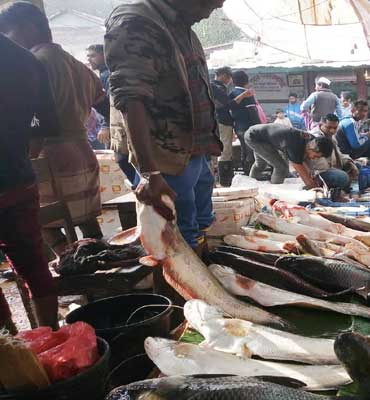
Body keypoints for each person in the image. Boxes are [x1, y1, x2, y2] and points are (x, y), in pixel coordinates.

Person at [105, 0, 224, 252]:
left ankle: (203, 277)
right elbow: (130, 97)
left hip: (194, 152)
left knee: (200, 225)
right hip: (165, 158)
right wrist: (151, 172)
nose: (207, 15)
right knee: (176, 239)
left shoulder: (181, 25)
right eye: (208, 5)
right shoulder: (135, 21)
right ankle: (186, 290)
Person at [0, 2, 105, 257]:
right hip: (81, 150)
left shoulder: (32, 63)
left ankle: (70, 264)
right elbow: (100, 96)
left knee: (44, 220)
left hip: (49, 155)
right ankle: (102, 262)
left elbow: (31, 118)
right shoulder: (75, 63)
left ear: (26, 29)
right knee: (87, 220)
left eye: (8, 34)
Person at [0, 33, 60, 332]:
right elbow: (46, 124)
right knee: (34, 264)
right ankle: (51, 337)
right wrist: (18, 155)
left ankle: (10, 351)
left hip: (16, 177)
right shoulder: (25, 59)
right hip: (18, 179)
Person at [245, 123, 333, 187]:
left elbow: (306, 161)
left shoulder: (312, 140)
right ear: (312, 148)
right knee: (281, 167)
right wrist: (312, 187)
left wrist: (312, 175)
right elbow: (301, 170)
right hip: (254, 137)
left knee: (261, 164)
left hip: (262, 134)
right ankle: (275, 194)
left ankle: (250, 184)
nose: (314, 158)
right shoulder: (295, 145)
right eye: (316, 156)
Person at [309, 114, 359, 192]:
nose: (332, 130)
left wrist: (349, 162)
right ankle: (338, 190)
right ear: (321, 125)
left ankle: (343, 187)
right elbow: (321, 166)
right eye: (329, 127)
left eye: (335, 128)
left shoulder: (331, 135)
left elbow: (339, 154)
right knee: (343, 177)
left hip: (332, 167)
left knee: (356, 166)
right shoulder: (315, 138)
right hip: (319, 172)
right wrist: (341, 171)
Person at [229, 69, 262, 174]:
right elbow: (252, 112)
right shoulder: (247, 94)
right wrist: (259, 127)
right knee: (251, 150)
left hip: (238, 126)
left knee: (244, 149)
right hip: (249, 127)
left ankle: (245, 171)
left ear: (233, 82)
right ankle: (251, 173)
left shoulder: (232, 94)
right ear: (247, 81)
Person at [337, 100, 370, 166]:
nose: (364, 114)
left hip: (349, 149)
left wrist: (365, 135)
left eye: (366, 111)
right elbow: (356, 144)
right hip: (346, 153)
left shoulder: (351, 121)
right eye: (361, 111)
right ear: (353, 111)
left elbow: (354, 136)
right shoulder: (350, 123)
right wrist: (367, 137)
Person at [211, 66, 236, 187]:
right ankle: (224, 181)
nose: (230, 80)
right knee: (225, 150)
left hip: (220, 121)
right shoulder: (215, 87)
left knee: (222, 150)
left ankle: (220, 179)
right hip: (222, 121)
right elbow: (226, 103)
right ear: (223, 75)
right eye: (229, 77)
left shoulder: (216, 87)